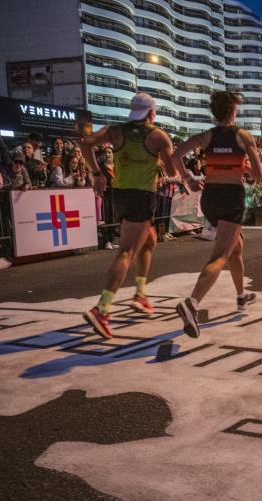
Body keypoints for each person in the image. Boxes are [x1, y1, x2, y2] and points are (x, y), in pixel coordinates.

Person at [80, 92, 180, 339]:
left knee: (150, 240)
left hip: (121, 194)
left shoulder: (115, 131)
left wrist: (97, 173)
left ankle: (141, 294)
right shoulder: (158, 136)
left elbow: (85, 143)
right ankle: (102, 308)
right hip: (142, 197)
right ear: (151, 113)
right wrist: (157, 163)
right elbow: (171, 169)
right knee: (126, 251)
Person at [173, 91, 262, 338]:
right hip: (231, 196)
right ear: (233, 110)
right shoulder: (243, 136)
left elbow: (175, 155)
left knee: (237, 246)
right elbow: (258, 175)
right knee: (221, 255)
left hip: (210, 196)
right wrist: (244, 168)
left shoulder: (207, 136)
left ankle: (241, 295)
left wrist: (188, 178)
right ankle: (192, 303)